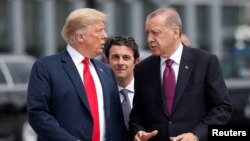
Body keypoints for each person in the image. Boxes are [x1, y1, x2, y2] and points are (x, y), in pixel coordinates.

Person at [129, 7, 232, 141]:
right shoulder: (143, 68)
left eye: (155, 33)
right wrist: (138, 131)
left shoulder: (205, 62)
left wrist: (196, 135)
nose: (149, 39)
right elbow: (136, 115)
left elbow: (222, 108)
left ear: (175, 32)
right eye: (147, 33)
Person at [27, 8, 127, 141]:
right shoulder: (45, 67)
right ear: (80, 36)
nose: (105, 35)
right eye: (99, 30)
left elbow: (115, 120)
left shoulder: (106, 71)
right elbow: (38, 114)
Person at [104, 35, 140, 129]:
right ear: (107, 62)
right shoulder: (100, 93)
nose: (120, 63)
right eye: (115, 57)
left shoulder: (148, 90)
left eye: (126, 57)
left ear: (136, 62)